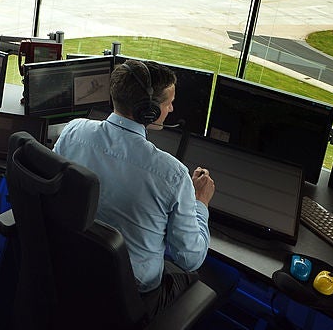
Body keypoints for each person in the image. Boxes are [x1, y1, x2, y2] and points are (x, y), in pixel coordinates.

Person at [53, 59, 230, 315]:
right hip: (130, 294)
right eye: (167, 102)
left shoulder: (73, 131)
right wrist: (199, 204)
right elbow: (189, 259)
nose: (171, 108)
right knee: (215, 276)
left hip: (71, 264)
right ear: (149, 111)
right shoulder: (173, 175)